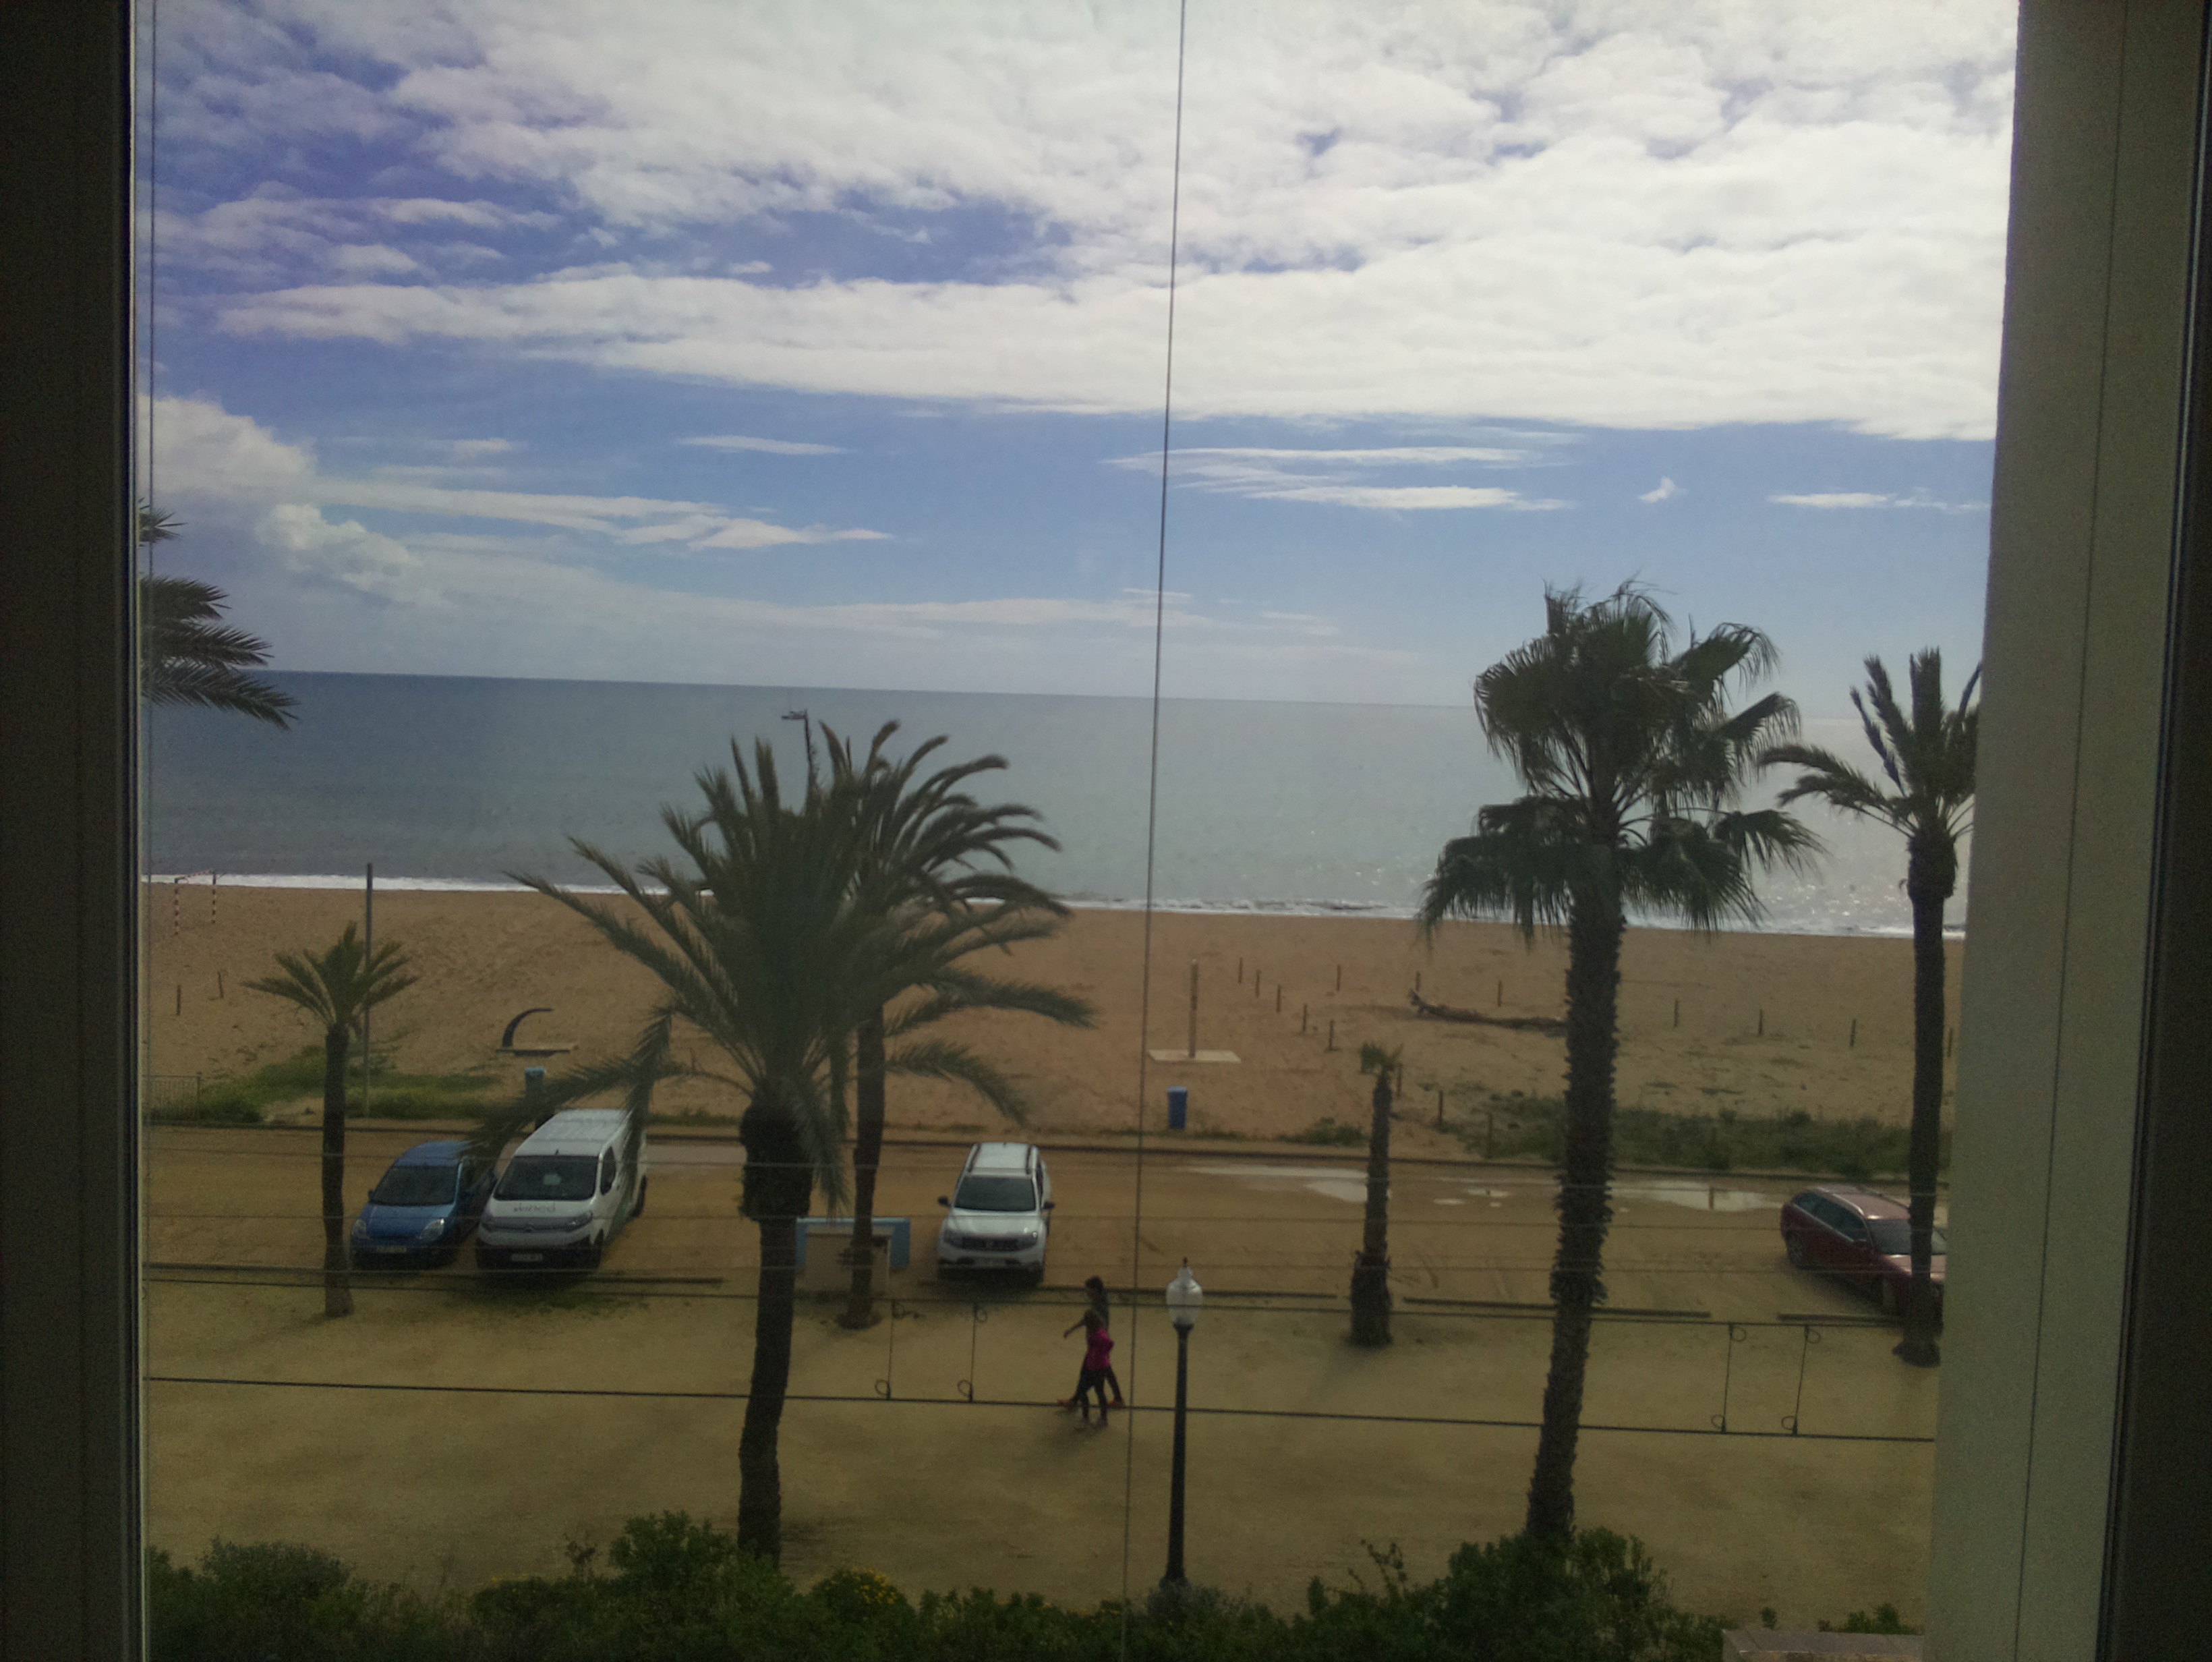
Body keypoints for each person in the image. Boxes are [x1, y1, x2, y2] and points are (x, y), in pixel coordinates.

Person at [1059, 1276, 1124, 1408]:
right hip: (1101, 1345)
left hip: (1096, 1346)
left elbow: (1088, 1320)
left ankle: (1075, 1400)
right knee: (1107, 1371)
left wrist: (1072, 1329)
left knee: (1087, 1374)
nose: (1086, 1293)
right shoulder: (1101, 1299)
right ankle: (1118, 1399)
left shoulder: (1099, 1307)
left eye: (1088, 1291)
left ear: (1095, 1290)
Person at [1070, 1309, 1114, 1426]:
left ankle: (1095, 1418)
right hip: (1092, 1364)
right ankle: (1093, 1418)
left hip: (1098, 1367)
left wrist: (1100, 1354)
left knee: (1095, 1391)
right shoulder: (1095, 1329)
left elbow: (1110, 1343)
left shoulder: (1100, 1334)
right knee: (1089, 1391)